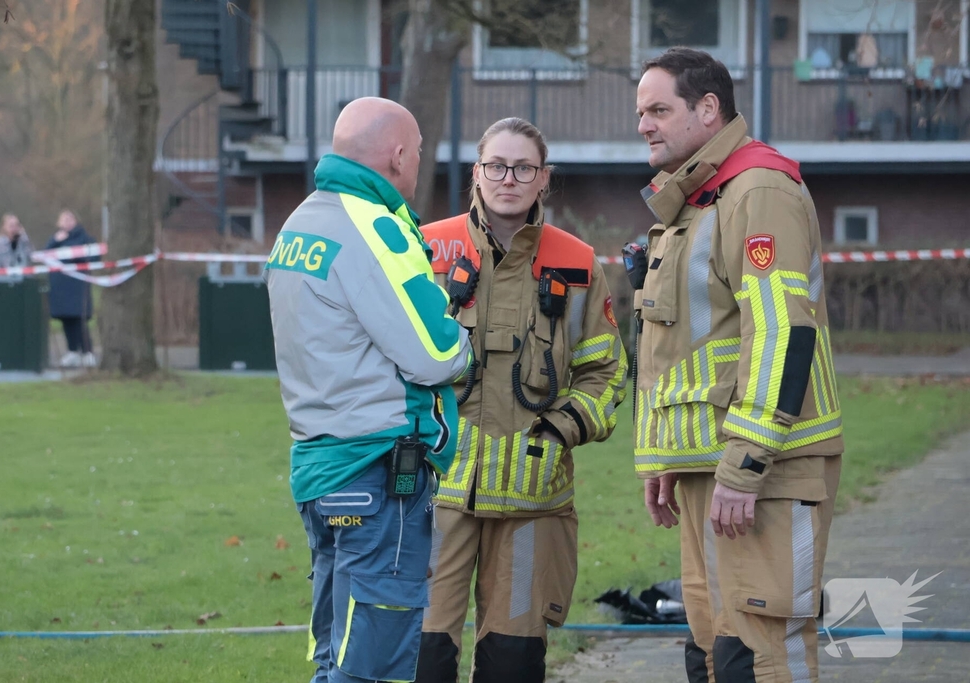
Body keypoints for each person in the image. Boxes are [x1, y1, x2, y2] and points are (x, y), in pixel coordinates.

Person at [632, 47, 844, 682]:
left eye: (658, 109)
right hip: (713, 469)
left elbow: (782, 333)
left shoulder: (757, 190)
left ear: (707, 108)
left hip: (765, 467)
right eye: (640, 111)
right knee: (714, 647)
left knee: (760, 650)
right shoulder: (699, 200)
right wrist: (671, 458)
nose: (644, 124)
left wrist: (745, 463)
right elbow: (685, 347)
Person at [264, 97, 472, 683]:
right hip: (379, 471)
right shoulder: (374, 226)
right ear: (398, 154)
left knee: (337, 650)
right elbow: (434, 353)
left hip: (318, 466)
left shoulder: (300, 222)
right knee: (373, 660)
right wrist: (467, 346)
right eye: (420, 154)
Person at [416, 118, 629, 683]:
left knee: (512, 663)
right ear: (477, 174)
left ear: (544, 179)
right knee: (421, 654)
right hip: (436, 495)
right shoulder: (426, 248)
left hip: (533, 500)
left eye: (523, 168)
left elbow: (607, 373)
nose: (508, 178)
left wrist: (560, 429)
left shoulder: (579, 263)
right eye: (496, 166)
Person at [45, 209, 98, 368]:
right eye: (63, 219)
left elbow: (94, 256)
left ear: (76, 221)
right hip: (60, 286)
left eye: (70, 218)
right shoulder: (54, 240)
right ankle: (72, 351)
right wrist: (55, 241)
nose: (67, 222)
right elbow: (45, 255)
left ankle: (87, 352)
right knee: (66, 319)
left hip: (78, 285)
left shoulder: (85, 238)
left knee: (79, 319)